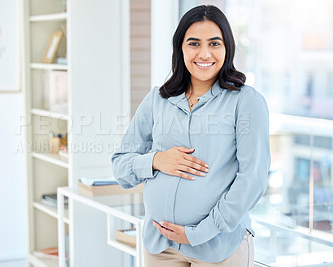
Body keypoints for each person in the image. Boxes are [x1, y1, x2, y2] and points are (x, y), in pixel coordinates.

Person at [111, 5, 270, 267]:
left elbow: (252, 181)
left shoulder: (246, 102)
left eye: (214, 43)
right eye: (194, 43)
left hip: (219, 248)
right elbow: (120, 165)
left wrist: (198, 232)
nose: (204, 53)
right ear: (180, 48)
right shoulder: (158, 99)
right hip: (160, 247)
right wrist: (156, 160)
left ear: (227, 48)